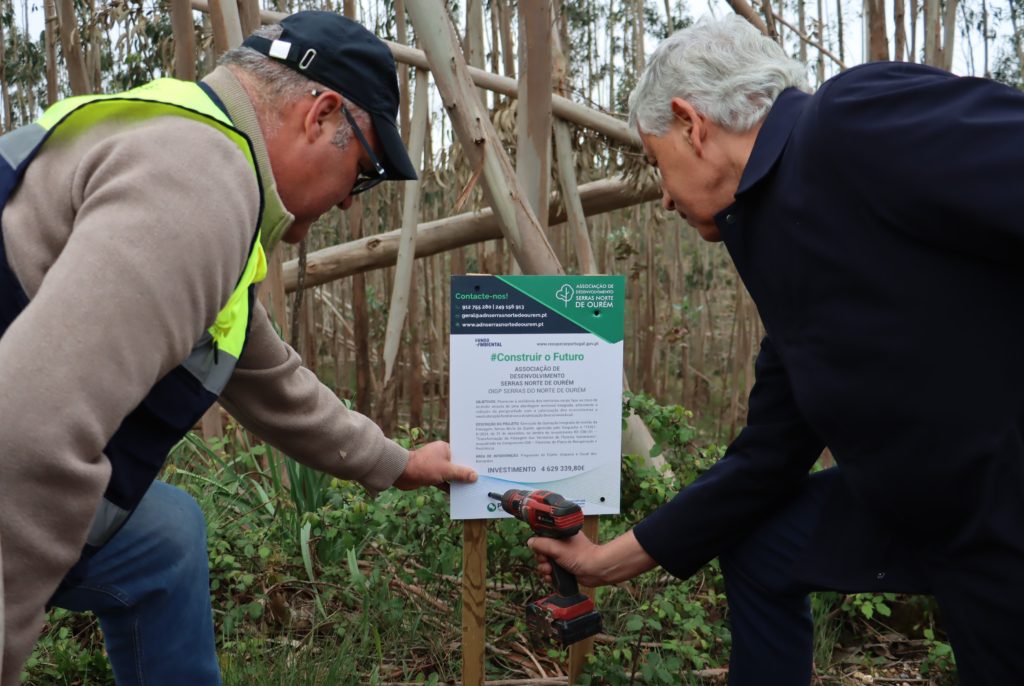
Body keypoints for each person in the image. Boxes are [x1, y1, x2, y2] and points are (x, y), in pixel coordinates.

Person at [527, 14, 1024, 686]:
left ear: (690, 124)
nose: (665, 196)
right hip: (940, 520)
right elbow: (768, 456)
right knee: (766, 542)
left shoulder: (851, 123)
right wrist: (605, 561)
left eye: (656, 163)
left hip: (999, 509)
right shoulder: (772, 234)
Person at [0, 11, 476, 686]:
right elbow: (26, 438)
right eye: (365, 169)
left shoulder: (198, 155)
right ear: (321, 114)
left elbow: (269, 379)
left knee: (164, 539)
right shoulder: (199, 184)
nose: (349, 205)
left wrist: (398, 463)